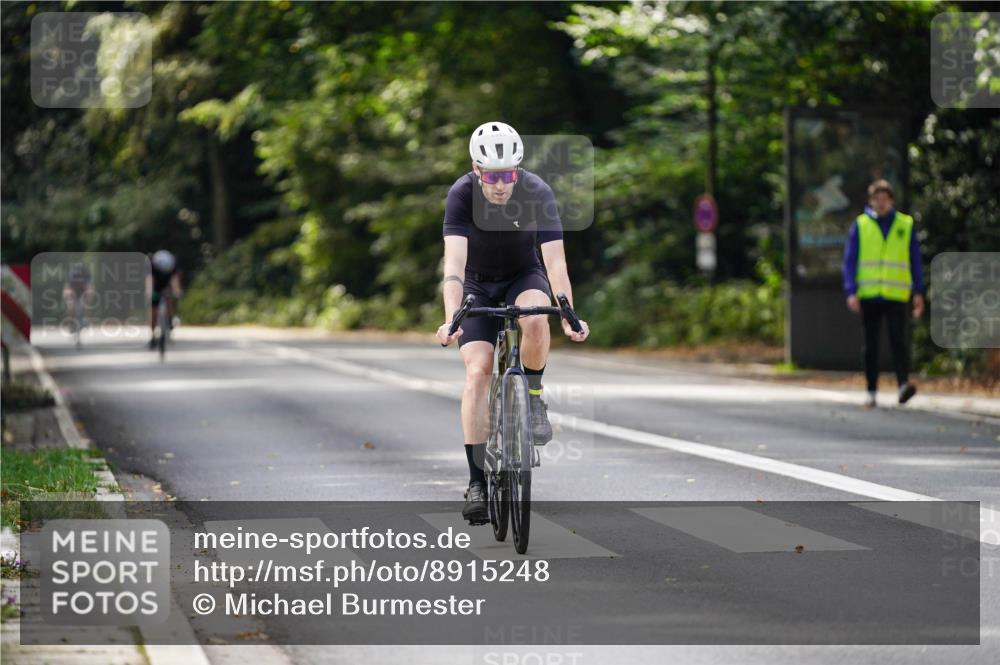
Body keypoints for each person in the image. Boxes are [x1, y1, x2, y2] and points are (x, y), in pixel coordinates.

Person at [437, 122, 590, 524]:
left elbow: (556, 263)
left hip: (524, 275)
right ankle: (476, 483)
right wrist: (451, 318)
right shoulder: (462, 194)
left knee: (537, 319)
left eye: (508, 175)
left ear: (517, 171)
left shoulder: (537, 191)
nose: (500, 185)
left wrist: (569, 313)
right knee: (478, 373)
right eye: (491, 175)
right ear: (476, 168)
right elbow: (453, 265)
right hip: (476, 285)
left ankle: (534, 397)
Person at [842, 179, 924, 408]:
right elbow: (850, 261)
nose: (881, 203)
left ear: (891, 201)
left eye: (884, 199)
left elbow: (915, 260)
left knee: (899, 341)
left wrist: (918, 291)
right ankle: (871, 390)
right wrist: (851, 291)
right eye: (876, 199)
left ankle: (902, 385)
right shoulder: (861, 225)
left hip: (896, 294)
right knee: (871, 344)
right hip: (869, 294)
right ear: (870, 201)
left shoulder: (904, 224)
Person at [149, 250, 182, 349]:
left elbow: (175, 280)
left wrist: (176, 290)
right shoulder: (153, 266)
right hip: (156, 286)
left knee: (170, 300)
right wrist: (149, 291)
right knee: (153, 311)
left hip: (168, 286)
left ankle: (170, 319)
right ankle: (152, 335)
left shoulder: (172, 266)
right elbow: (149, 279)